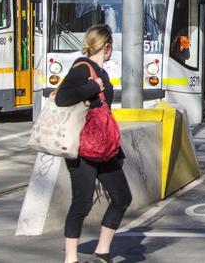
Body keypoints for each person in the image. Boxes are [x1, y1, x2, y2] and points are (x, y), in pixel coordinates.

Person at [55, 25, 132, 263]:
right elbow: (62, 97)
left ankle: (103, 251)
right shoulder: (82, 69)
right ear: (106, 46)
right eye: (112, 47)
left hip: (103, 148)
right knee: (82, 202)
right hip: (82, 149)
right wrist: (93, 87)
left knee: (122, 197)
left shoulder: (101, 71)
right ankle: (70, 258)